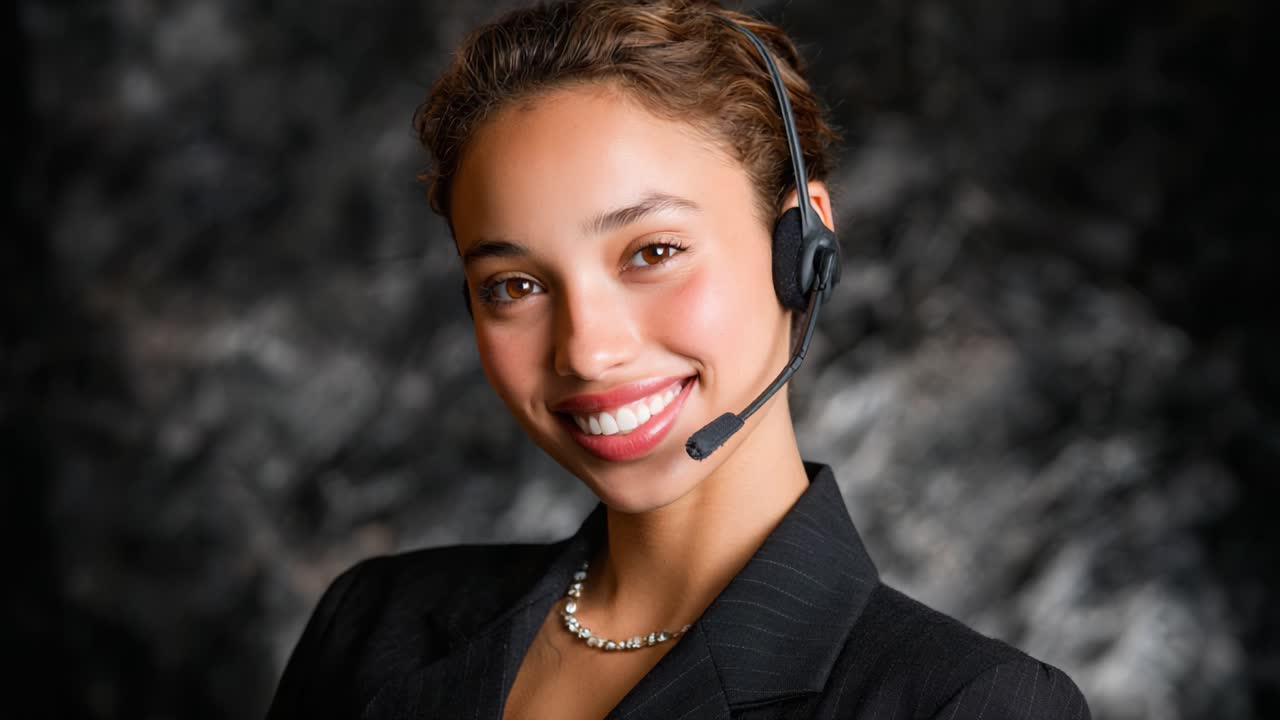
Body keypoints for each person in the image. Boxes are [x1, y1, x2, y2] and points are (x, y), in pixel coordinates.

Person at [266, 1, 1091, 718]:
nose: (588, 351)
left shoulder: (965, 703)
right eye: (515, 285)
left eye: (652, 252)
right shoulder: (372, 629)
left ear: (803, 245)